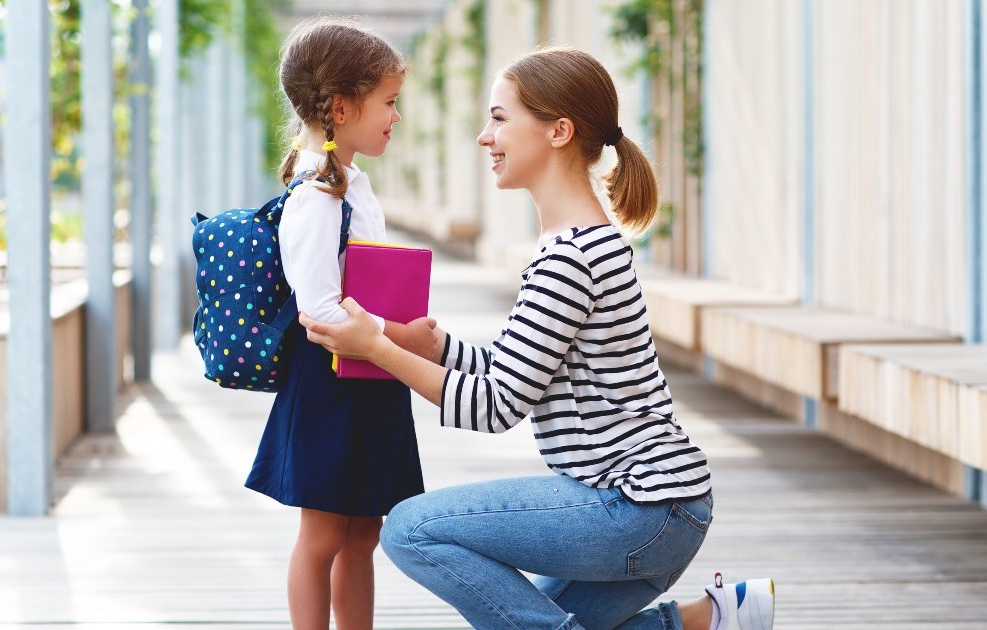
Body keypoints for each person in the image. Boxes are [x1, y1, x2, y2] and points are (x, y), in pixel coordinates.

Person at [299, 47, 775, 630]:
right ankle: (712, 619)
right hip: (662, 509)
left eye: (499, 118)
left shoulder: (570, 258)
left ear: (559, 131)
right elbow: (518, 369)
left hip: (636, 507)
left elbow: (496, 407)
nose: (484, 137)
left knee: (409, 529)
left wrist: (378, 350)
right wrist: (436, 346)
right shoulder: (581, 244)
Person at [242, 16, 437, 630]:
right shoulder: (317, 197)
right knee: (323, 530)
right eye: (389, 101)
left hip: (367, 374)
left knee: (364, 531)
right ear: (342, 106)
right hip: (331, 380)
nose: (395, 116)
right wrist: (401, 338)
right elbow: (319, 310)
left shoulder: (348, 184)